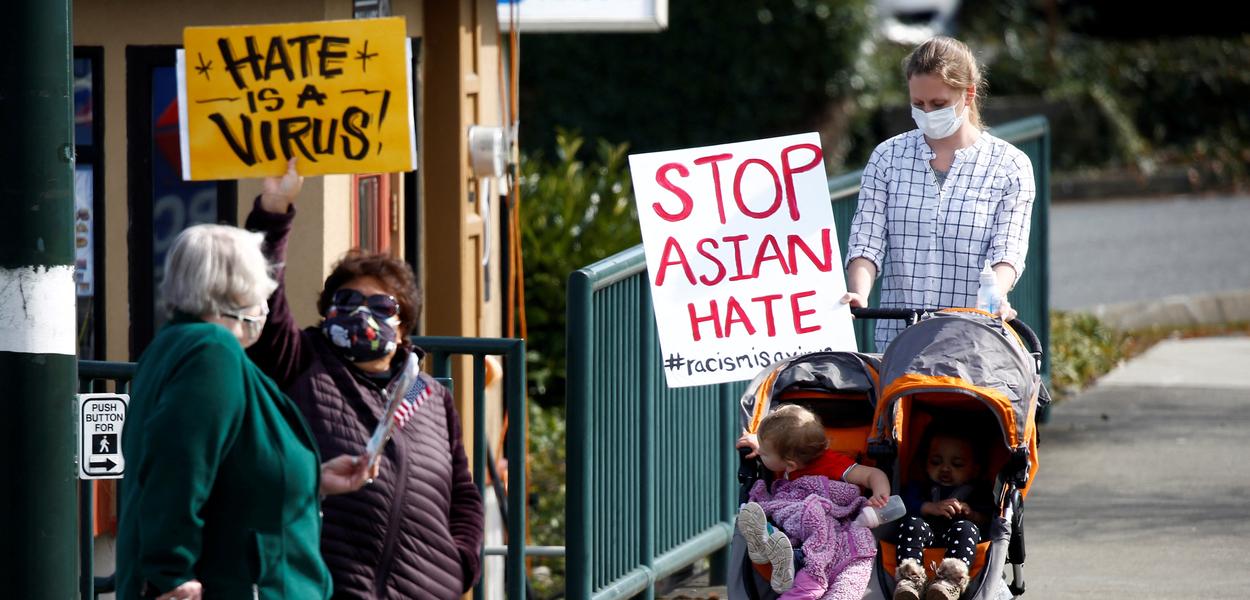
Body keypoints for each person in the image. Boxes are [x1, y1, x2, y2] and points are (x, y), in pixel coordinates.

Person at [244, 160, 485, 599]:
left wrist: (461, 561)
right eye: (347, 299)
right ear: (327, 310)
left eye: (380, 306)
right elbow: (262, 295)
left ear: (404, 327)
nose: (360, 313)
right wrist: (273, 210)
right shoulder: (300, 361)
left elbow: (464, 493)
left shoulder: (430, 395)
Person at [117, 224, 378, 600]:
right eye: (260, 288)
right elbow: (179, 467)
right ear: (237, 290)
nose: (265, 300)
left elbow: (225, 468)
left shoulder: (176, 346)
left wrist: (312, 480)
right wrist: (171, 573)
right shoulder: (212, 351)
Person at [841, 36, 1036, 349]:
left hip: (973, 343)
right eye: (918, 104)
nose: (928, 113)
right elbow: (866, 242)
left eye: (938, 104)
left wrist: (996, 296)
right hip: (899, 342)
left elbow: (1008, 250)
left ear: (968, 94)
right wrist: (859, 294)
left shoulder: (1010, 165)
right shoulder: (887, 157)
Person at [736, 405, 891, 599]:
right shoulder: (787, 455)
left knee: (809, 520)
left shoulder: (833, 463)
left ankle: (785, 553)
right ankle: (774, 544)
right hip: (796, 523)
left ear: (790, 464)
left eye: (764, 453)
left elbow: (872, 474)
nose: (760, 454)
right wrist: (758, 442)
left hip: (824, 518)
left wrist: (880, 494)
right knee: (784, 512)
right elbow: (774, 450)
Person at [891, 422, 994, 600]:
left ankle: (951, 581)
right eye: (936, 462)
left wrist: (971, 514)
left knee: (966, 527)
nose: (945, 469)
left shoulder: (978, 492)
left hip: (959, 543)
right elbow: (902, 506)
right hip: (926, 537)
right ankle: (910, 578)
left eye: (957, 464)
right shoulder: (921, 486)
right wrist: (928, 507)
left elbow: (989, 519)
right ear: (925, 463)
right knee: (911, 523)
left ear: (975, 470)